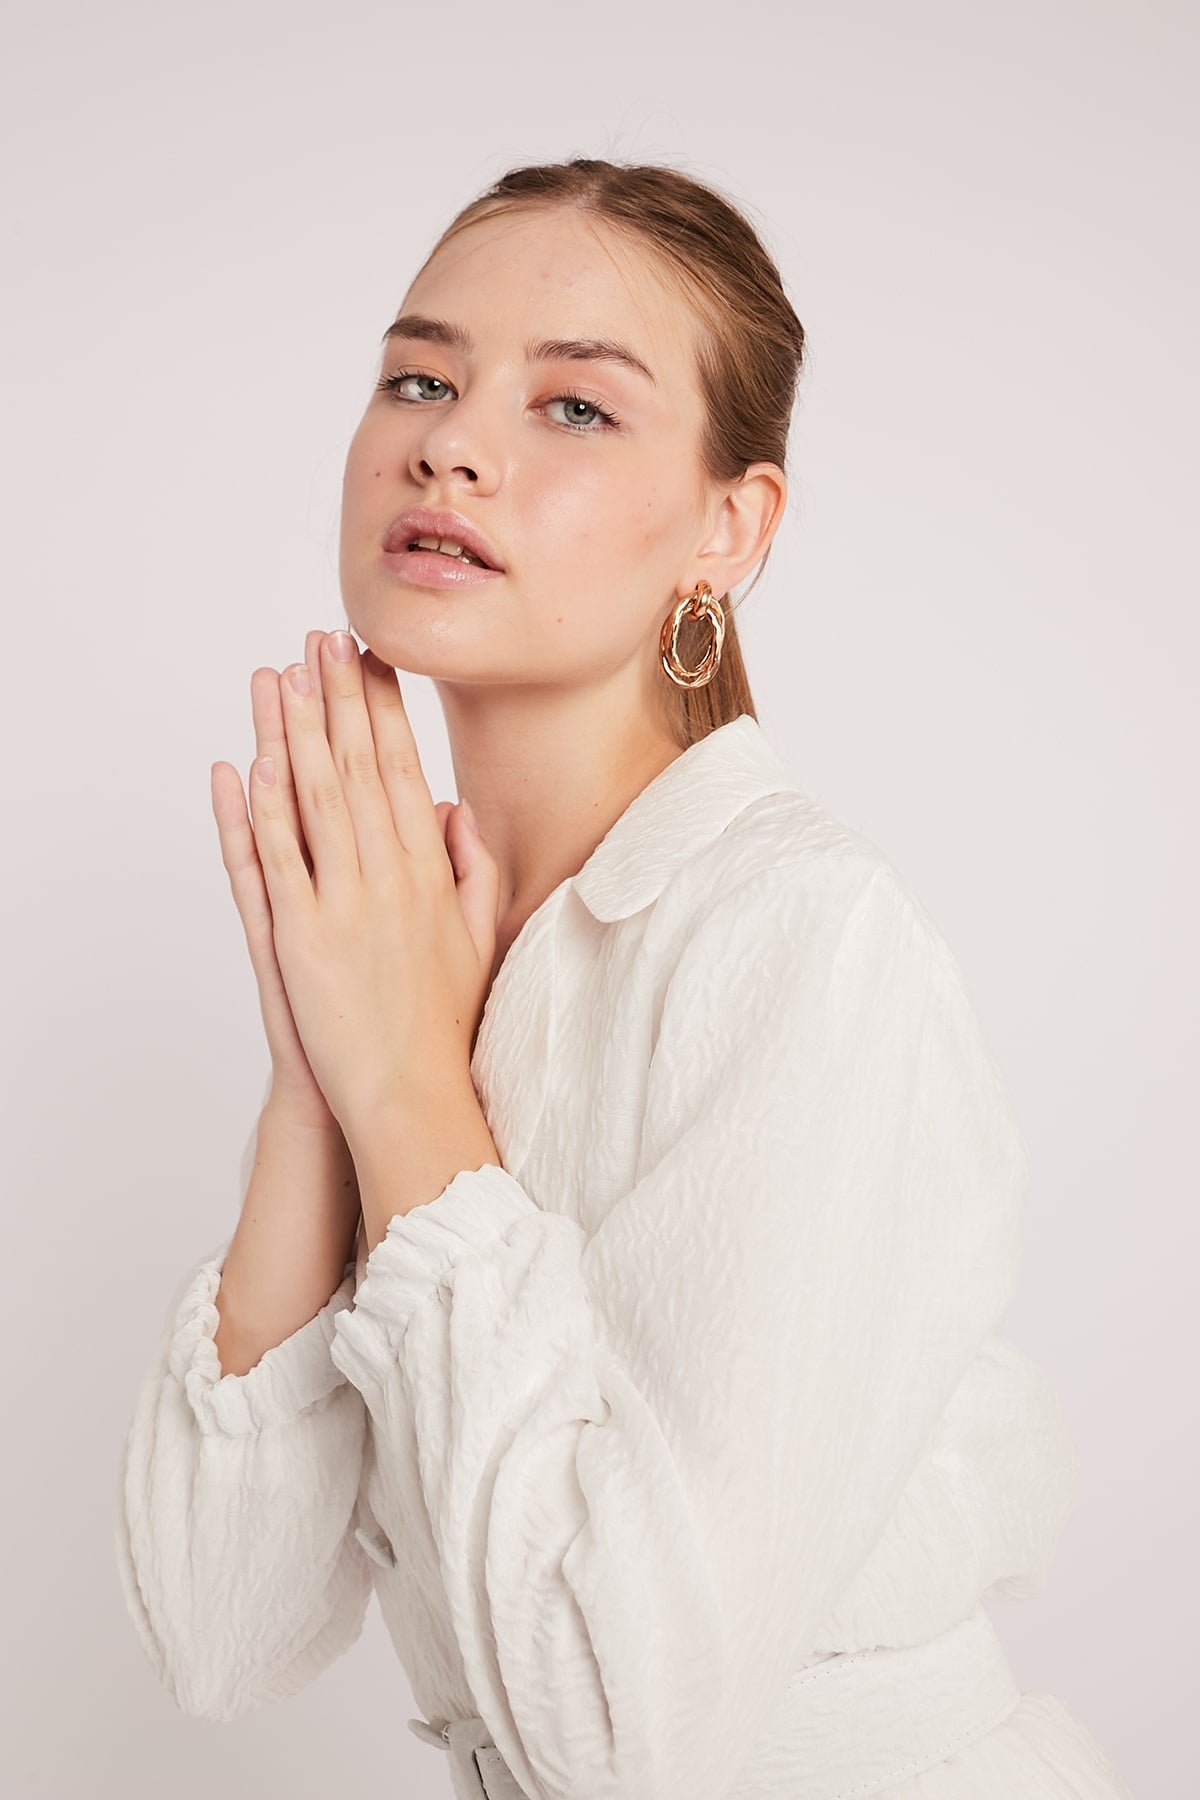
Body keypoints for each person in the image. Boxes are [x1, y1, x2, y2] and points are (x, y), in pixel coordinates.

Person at [114, 158, 1134, 1800]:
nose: (450, 439)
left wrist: (405, 1089)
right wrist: (327, 1072)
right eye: (418, 378)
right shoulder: (411, 950)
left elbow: (614, 1732)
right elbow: (227, 1637)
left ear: (732, 528)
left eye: (575, 408)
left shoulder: (803, 940)